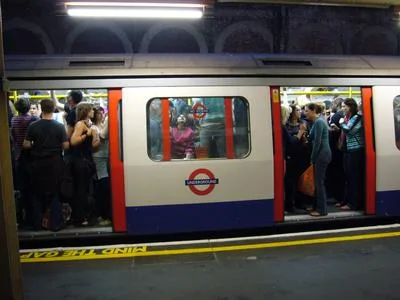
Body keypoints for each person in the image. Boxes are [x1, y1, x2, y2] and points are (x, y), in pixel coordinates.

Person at [23, 99, 69, 231]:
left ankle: (37, 224)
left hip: (37, 164)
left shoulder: (33, 126)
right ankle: (55, 224)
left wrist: (35, 145)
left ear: (41, 108)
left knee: (37, 194)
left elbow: (26, 144)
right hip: (55, 164)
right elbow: (66, 146)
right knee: (55, 193)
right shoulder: (59, 126)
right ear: (53, 108)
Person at [304, 102, 332, 217]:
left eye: (307, 110)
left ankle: (322, 210)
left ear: (313, 110)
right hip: (321, 154)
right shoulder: (317, 122)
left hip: (322, 154)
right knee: (317, 182)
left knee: (319, 182)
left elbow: (318, 142)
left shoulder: (319, 122)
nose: (305, 113)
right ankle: (316, 206)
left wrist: (312, 157)